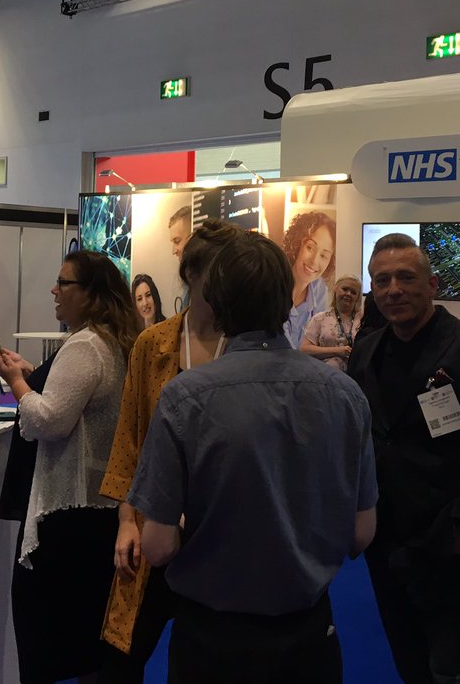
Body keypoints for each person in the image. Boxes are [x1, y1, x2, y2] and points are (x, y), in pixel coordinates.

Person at [127, 232, 378, 684]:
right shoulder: (346, 396)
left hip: (211, 644)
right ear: (286, 301)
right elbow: (361, 534)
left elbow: (158, 547)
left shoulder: (184, 398)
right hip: (309, 638)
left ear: (217, 302)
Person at [347, 232, 460, 684]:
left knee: (457, 669)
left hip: (452, 545)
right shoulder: (365, 352)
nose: (393, 290)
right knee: (409, 660)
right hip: (386, 541)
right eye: (382, 281)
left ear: (432, 284)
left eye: (406, 277)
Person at [100, 220, 242, 682]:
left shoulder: (246, 347)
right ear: (191, 273)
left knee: (211, 660)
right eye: (215, 271)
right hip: (152, 522)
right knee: (122, 654)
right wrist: (126, 520)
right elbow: (130, 437)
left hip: (222, 531)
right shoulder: (153, 344)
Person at [0, 250, 137, 684]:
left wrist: (17, 383)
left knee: (46, 638)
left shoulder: (86, 344)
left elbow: (49, 420)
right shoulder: (112, 339)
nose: (54, 290)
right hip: (96, 508)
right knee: (87, 641)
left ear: (90, 293)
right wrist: (34, 373)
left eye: (64, 283)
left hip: (66, 514)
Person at [280, 210, 336, 348]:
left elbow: (319, 342)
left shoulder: (319, 289)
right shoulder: (273, 284)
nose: (314, 261)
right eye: (310, 248)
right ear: (297, 245)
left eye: (323, 256)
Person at [300, 273, 363, 370]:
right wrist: (337, 351)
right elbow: (304, 350)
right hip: (326, 375)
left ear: (358, 297)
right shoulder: (320, 318)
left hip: (356, 375)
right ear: (335, 289)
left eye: (353, 292)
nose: (348, 294)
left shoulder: (364, 320)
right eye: (345, 289)